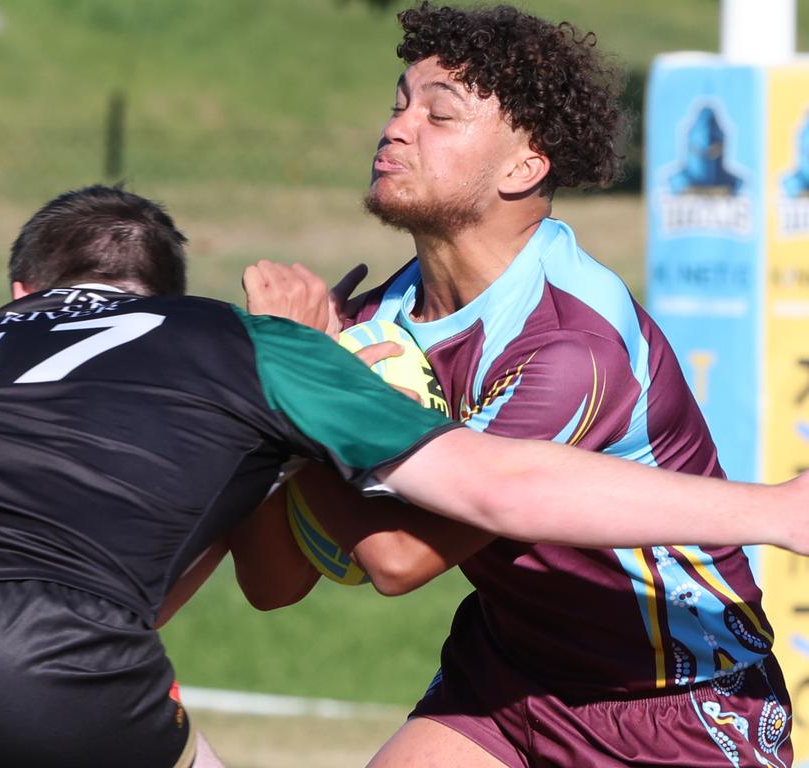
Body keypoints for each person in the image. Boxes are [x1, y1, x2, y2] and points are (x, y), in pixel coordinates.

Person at [0, 186, 804, 768]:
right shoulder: (248, 342)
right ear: (168, 297)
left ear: (28, 291)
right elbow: (502, 492)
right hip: (33, 651)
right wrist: (771, 511)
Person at [242, 4, 797, 767]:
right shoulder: (377, 324)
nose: (400, 127)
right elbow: (270, 584)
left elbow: (400, 559)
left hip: (674, 705)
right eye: (400, 103)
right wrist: (290, 395)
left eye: (441, 114)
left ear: (524, 166)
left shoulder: (571, 349)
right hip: (508, 670)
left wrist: (304, 376)